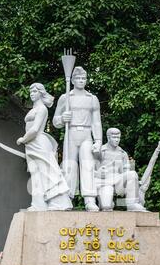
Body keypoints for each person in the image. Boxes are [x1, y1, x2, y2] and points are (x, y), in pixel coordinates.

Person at [53, 67, 102, 211]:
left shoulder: (92, 99)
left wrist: (98, 141)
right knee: (69, 166)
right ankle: (67, 198)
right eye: (78, 78)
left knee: (88, 166)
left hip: (86, 134)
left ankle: (89, 200)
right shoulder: (65, 98)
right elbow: (55, 121)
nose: (81, 81)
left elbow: (96, 122)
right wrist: (62, 118)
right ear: (73, 80)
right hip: (71, 133)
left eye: (83, 78)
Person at [17, 83, 72, 211]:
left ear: (41, 93)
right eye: (30, 91)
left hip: (38, 143)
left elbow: (35, 129)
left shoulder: (42, 109)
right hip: (31, 144)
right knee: (35, 174)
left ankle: (59, 202)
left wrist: (23, 139)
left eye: (35, 91)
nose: (32, 94)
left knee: (48, 172)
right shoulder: (33, 109)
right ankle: (38, 204)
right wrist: (26, 141)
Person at [95, 128, 146, 211]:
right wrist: (98, 173)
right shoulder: (100, 151)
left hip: (118, 181)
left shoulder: (123, 153)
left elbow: (126, 172)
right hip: (104, 182)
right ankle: (105, 202)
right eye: (114, 137)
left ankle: (132, 204)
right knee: (106, 207)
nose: (117, 140)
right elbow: (89, 171)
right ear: (108, 137)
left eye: (118, 137)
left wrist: (134, 181)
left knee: (132, 174)